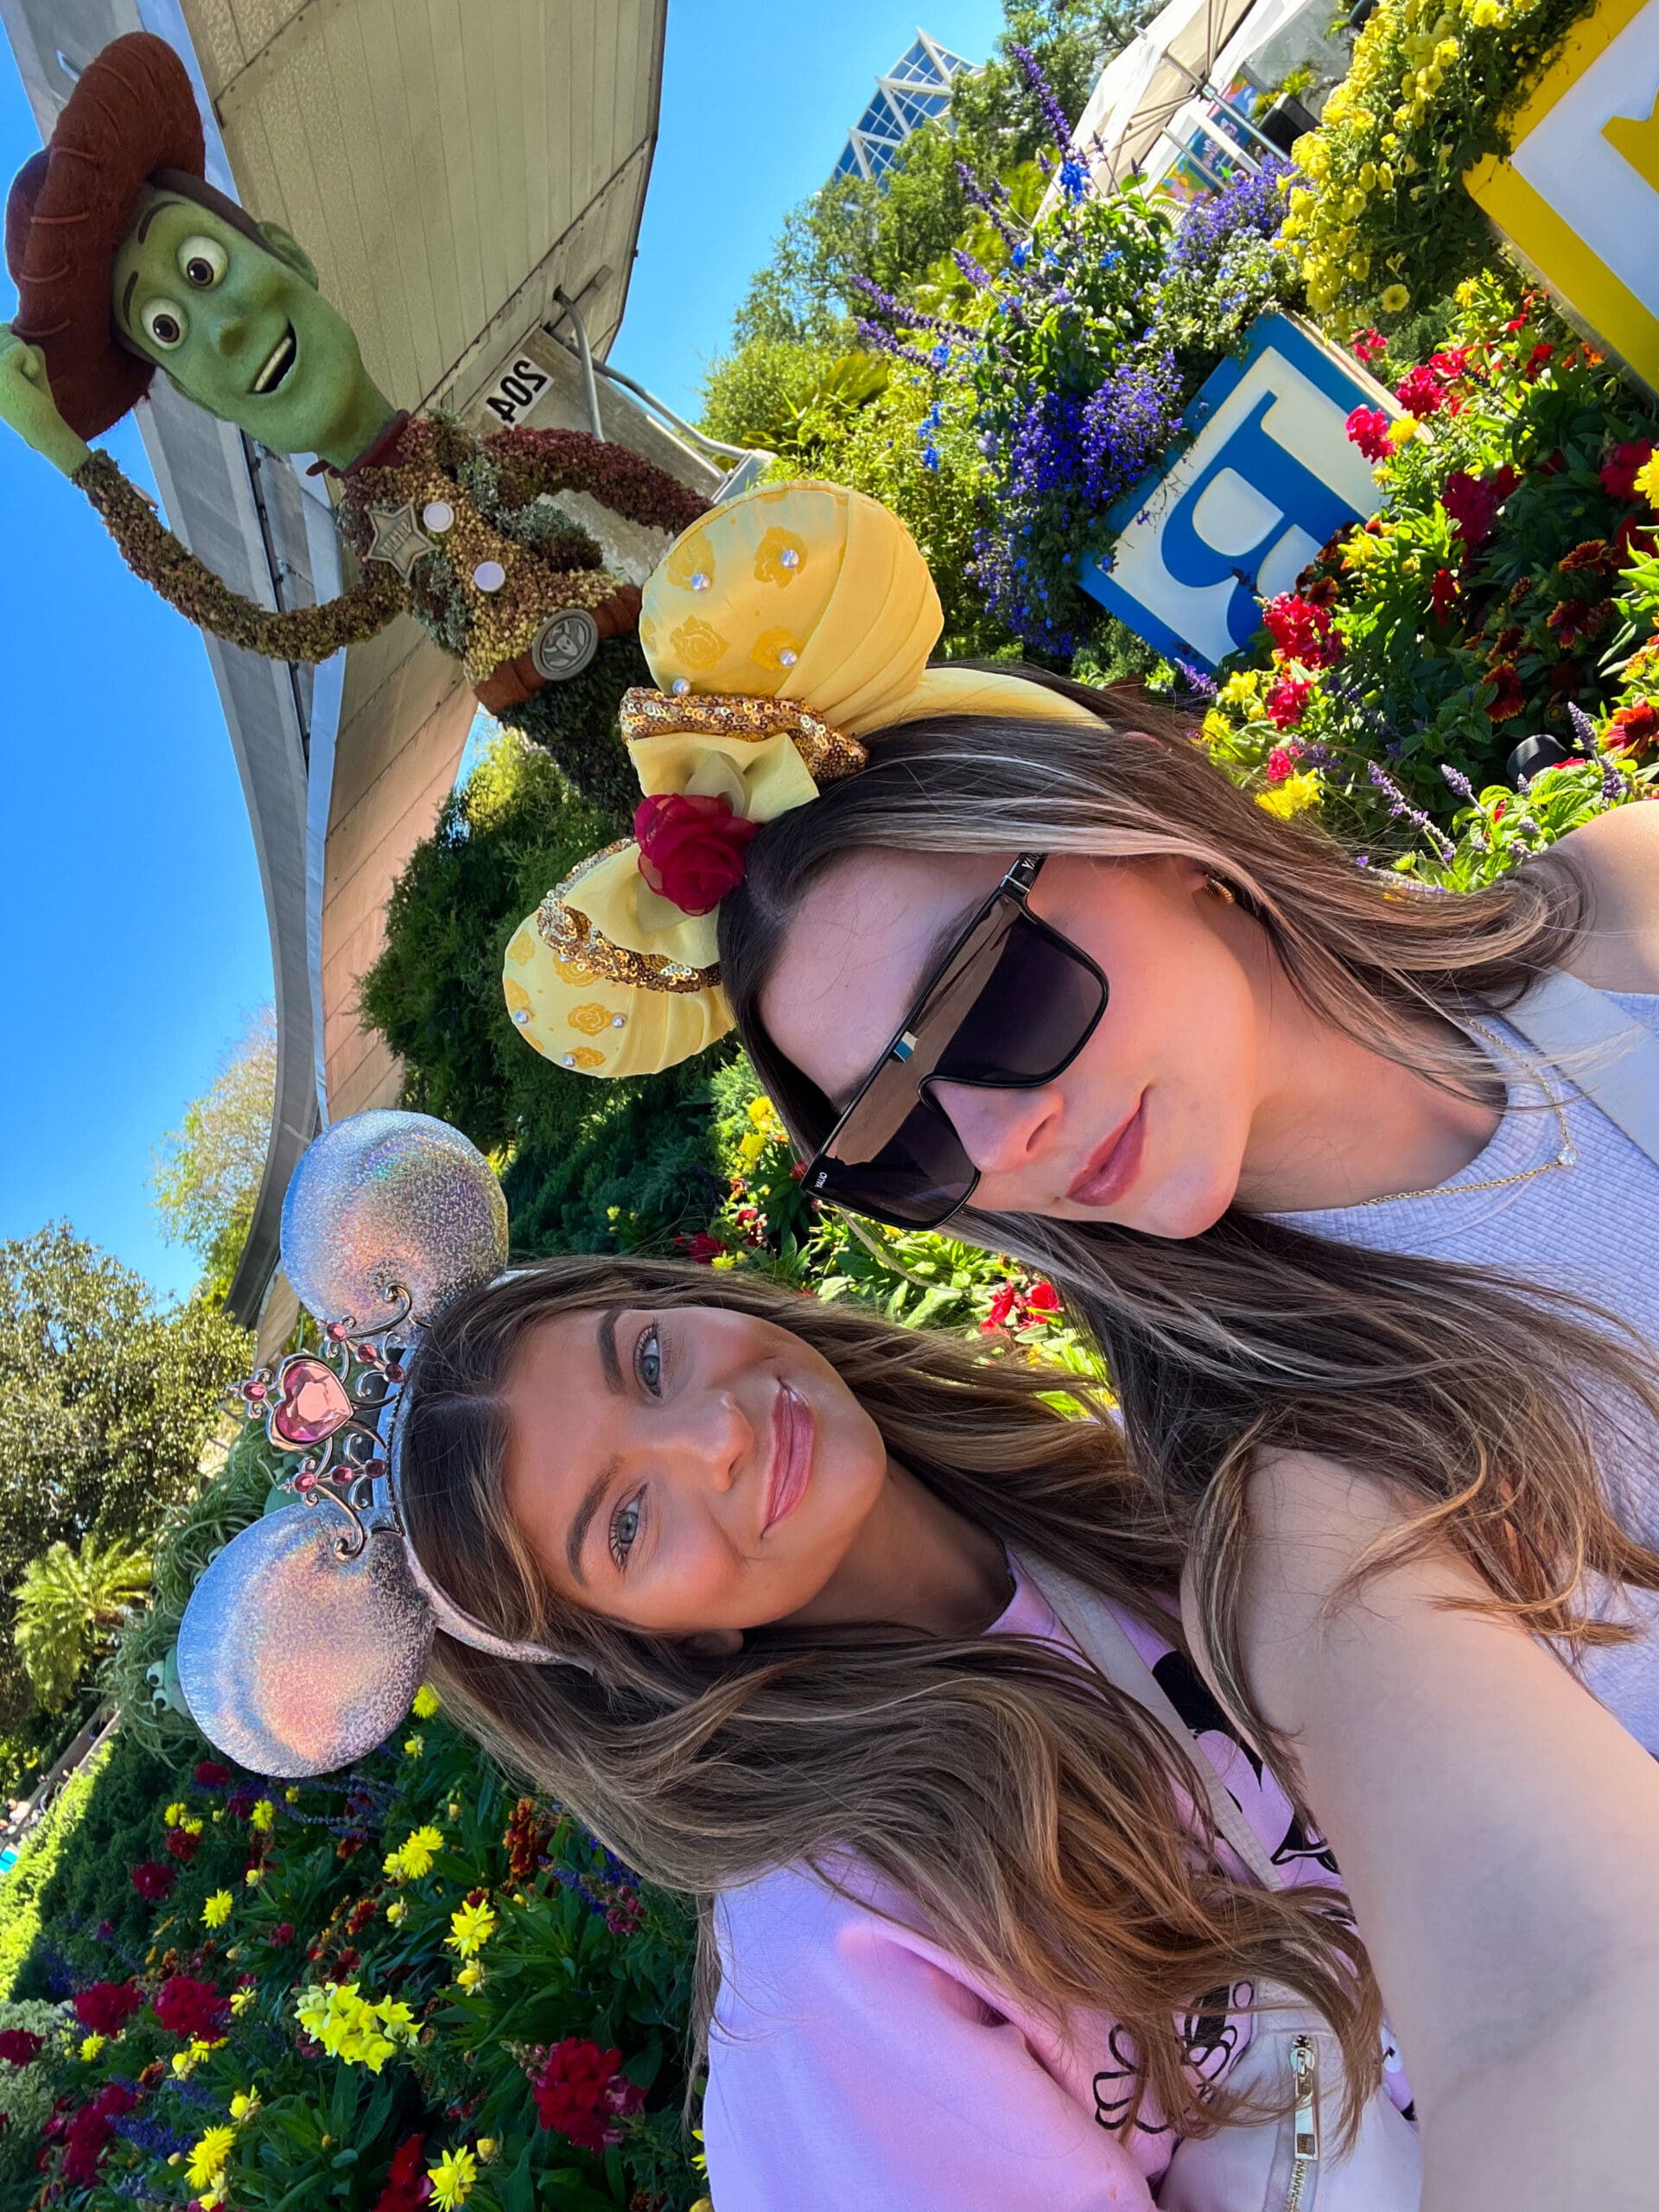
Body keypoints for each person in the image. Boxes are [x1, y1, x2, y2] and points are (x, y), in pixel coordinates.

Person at [500, 479, 1659, 2208]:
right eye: (905, 1136)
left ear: (1141, 828)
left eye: (989, 998)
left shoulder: (1623, 900)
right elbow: (1563, 2001)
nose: (1001, 1131)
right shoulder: (1299, 1495)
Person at [0, 33, 705, 728]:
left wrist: (716, 530)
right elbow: (258, 628)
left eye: (201, 269)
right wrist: (75, 460)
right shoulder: (385, 558)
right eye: (167, 330)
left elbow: (604, 471)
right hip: (563, 719)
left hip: (655, 647)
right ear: (194, 394)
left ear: (286, 255)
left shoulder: (482, 469)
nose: (224, 332)